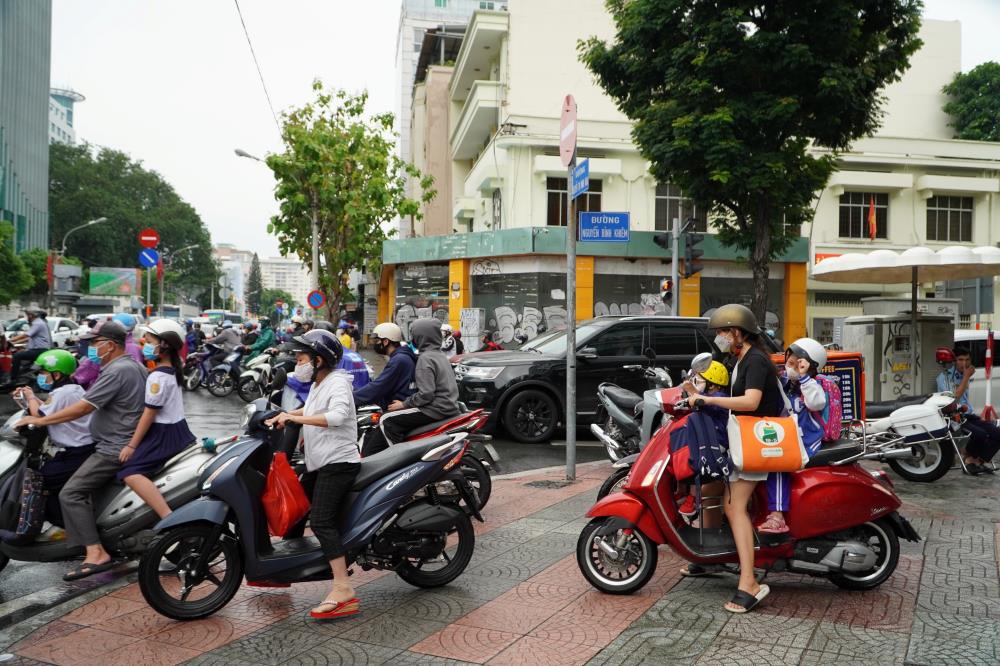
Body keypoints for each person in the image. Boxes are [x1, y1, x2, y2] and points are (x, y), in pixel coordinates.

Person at [16, 321, 147, 581]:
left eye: (96, 343)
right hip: (117, 441)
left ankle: (95, 552)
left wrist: (40, 420)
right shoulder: (133, 367)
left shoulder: (117, 370)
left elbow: (84, 408)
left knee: (71, 493)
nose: (91, 348)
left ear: (110, 345)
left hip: (112, 447)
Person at [683, 304, 780, 614]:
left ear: (737, 332)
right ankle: (718, 561)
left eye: (723, 332)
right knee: (720, 499)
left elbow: (751, 402)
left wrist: (709, 398)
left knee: (734, 506)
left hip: (758, 442)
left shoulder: (755, 361)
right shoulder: (740, 359)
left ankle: (749, 582)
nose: (720, 338)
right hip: (744, 441)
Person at [265, 330, 360, 619]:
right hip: (320, 462)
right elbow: (313, 408)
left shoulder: (339, 384)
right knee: (296, 508)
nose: (298, 362)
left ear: (319, 360)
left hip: (338, 463)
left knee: (321, 520)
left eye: (302, 357)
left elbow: (337, 417)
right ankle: (285, 567)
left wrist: (296, 417)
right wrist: (283, 415)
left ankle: (343, 588)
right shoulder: (321, 382)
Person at [0, 350, 94, 545]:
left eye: (43, 373)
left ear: (57, 374)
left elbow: (40, 416)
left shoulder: (62, 392)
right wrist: (28, 399)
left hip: (77, 453)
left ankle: (62, 526)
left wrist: (31, 396)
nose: (40, 377)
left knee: (40, 480)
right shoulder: (73, 390)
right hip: (80, 450)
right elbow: (50, 411)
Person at [117, 320, 196, 519]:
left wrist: (132, 446)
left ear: (165, 345)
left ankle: (167, 516)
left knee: (130, 472)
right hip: (176, 429)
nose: (145, 343)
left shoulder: (158, 378)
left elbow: (149, 413)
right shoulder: (169, 370)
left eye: (150, 340)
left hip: (163, 434)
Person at [758, 338, 828, 533]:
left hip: (806, 439)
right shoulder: (782, 380)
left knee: (778, 463)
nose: (790, 368)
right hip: (784, 435)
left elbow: (817, 403)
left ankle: (777, 516)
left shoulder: (811, 385)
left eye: (796, 364)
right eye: (789, 362)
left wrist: (804, 377)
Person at [363, 319, 459, 456]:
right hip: (447, 407)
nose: (412, 339)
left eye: (414, 335)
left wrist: (404, 404)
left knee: (387, 419)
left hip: (435, 409)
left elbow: (427, 394)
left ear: (422, 337)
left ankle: (400, 459)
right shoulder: (439, 355)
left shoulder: (425, 359)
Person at [938, 347, 1000, 474]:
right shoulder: (944, 377)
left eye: (967, 360)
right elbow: (953, 399)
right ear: (954, 361)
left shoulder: (964, 375)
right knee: (980, 434)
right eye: (960, 360)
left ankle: (976, 461)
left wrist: (965, 376)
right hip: (955, 417)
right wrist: (966, 377)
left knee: (996, 433)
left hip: (969, 415)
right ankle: (968, 460)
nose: (964, 363)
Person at [6, 308, 51, 386]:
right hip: (39, 349)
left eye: (27, 315)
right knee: (19, 353)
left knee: (17, 356)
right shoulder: (38, 323)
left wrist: (9, 341)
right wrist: (14, 343)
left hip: (40, 350)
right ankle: (23, 376)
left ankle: (13, 379)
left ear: (31, 315)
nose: (27, 317)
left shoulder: (38, 323)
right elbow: (28, 338)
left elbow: (26, 335)